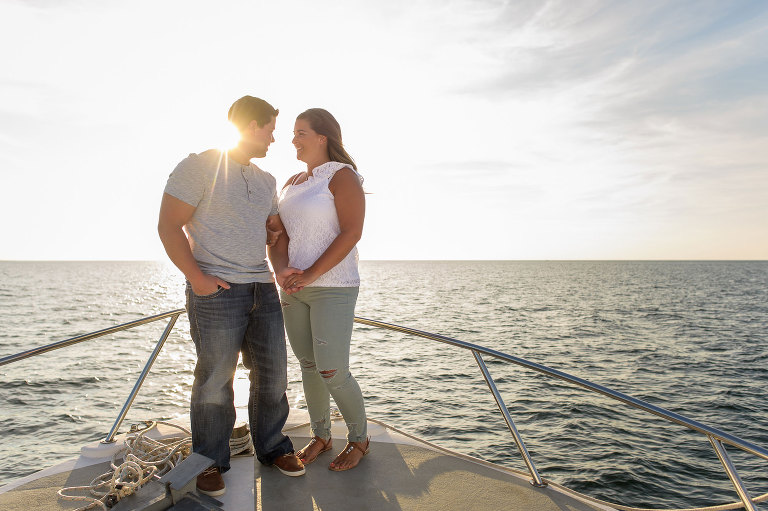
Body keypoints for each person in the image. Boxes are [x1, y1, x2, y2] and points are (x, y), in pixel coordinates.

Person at [157, 96, 305, 497]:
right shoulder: (197, 166)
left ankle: (273, 448)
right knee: (213, 382)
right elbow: (169, 226)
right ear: (253, 125)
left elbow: (275, 233)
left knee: (274, 375)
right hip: (217, 291)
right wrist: (197, 279)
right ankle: (209, 460)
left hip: (262, 288)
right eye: (271, 130)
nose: (274, 139)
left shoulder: (265, 181)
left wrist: (278, 261)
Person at [270, 108, 369, 472]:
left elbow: (351, 233)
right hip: (295, 288)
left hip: (333, 287)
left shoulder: (342, 177)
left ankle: (359, 439)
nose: (293, 139)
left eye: (301, 133)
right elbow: (277, 236)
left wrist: (311, 274)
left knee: (332, 370)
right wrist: (282, 271)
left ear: (323, 137)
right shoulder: (291, 182)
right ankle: (322, 435)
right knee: (308, 366)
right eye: (293, 133)